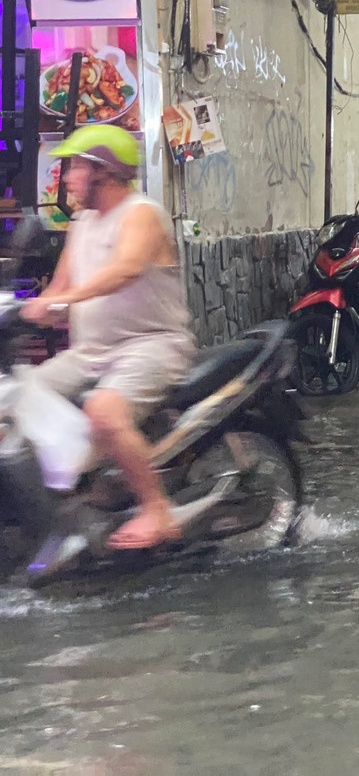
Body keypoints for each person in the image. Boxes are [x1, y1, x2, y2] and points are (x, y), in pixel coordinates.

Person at [23, 126, 195, 549]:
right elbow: (59, 288)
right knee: (19, 398)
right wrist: (31, 309)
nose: (67, 178)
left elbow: (126, 269)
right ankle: (55, 511)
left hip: (152, 346)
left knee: (104, 412)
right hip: (91, 354)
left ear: (102, 171)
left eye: (75, 167)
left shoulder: (142, 213)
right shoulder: (81, 223)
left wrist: (68, 300)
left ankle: (158, 510)